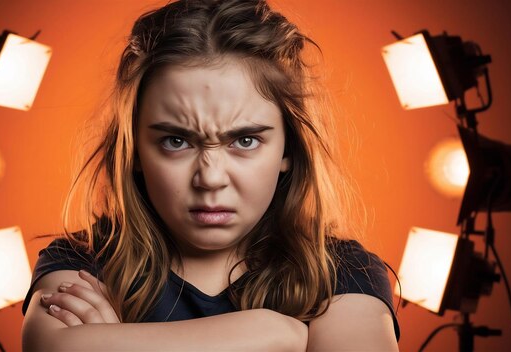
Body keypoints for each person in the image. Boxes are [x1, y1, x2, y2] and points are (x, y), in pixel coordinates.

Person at [21, 0, 400, 350]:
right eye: (175, 141)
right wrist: (273, 332)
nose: (211, 179)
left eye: (246, 140)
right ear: (134, 148)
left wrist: (110, 342)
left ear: (288, 149)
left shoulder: (341, 273)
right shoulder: (81, 262)